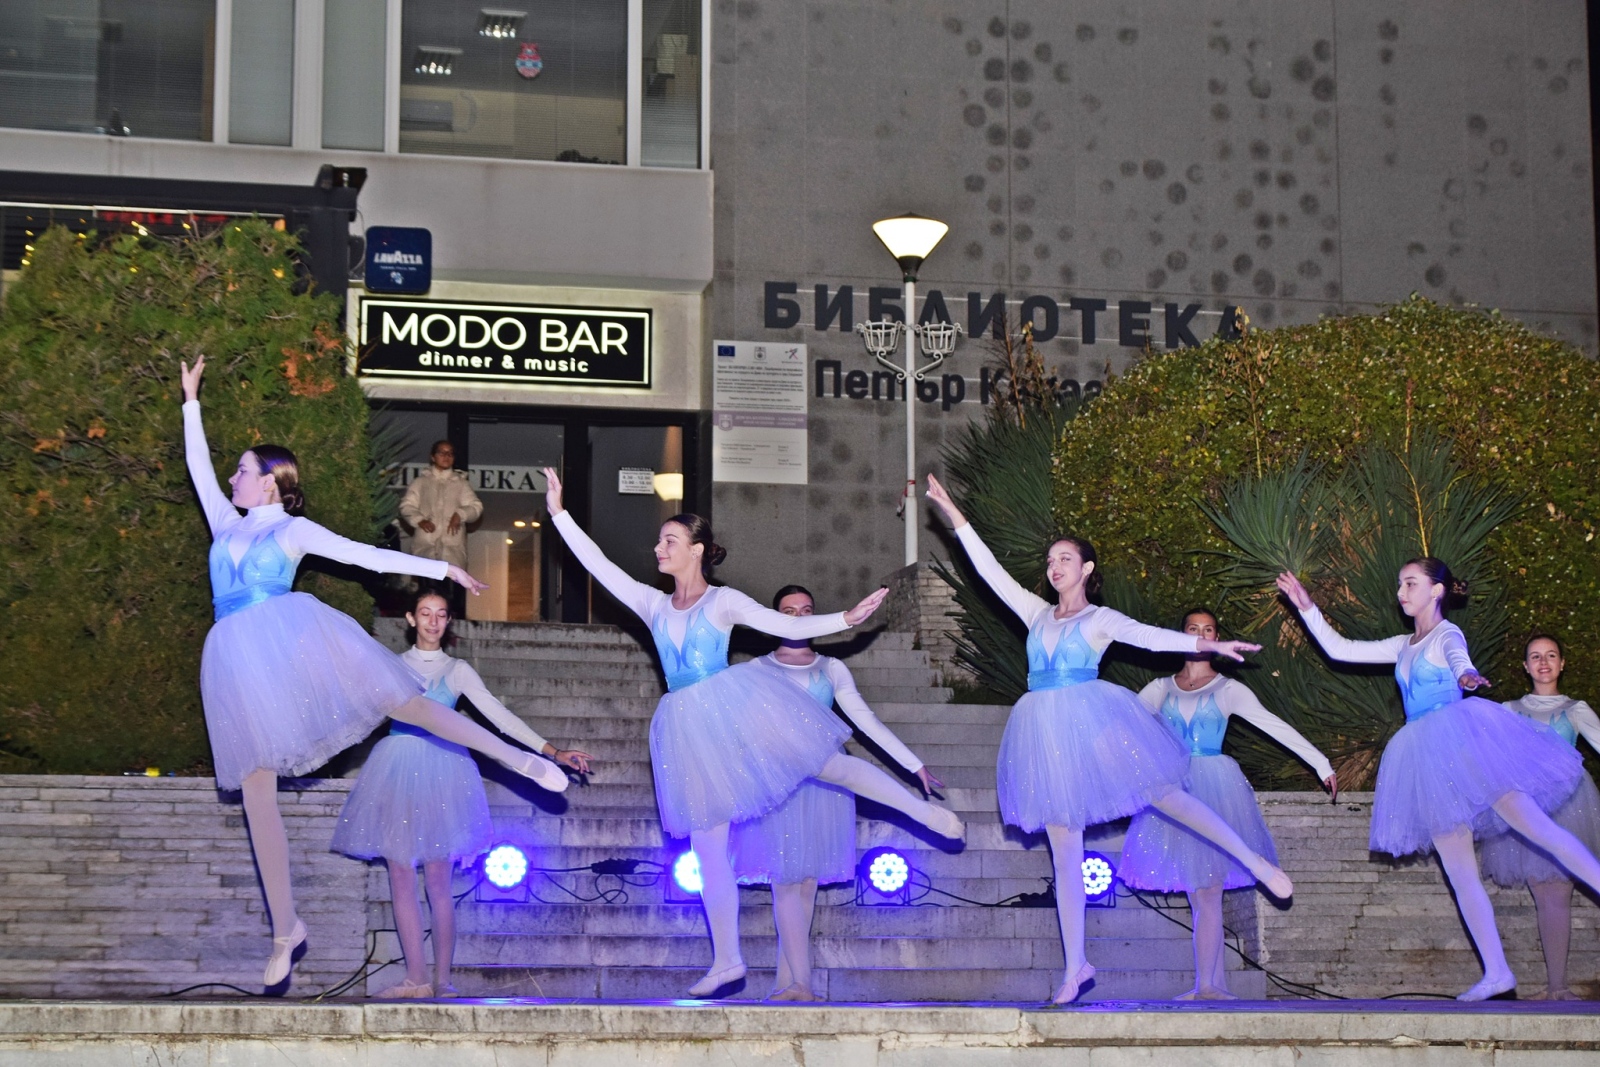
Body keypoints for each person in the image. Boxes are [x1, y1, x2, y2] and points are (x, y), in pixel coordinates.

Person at [180, 357, 568, 991]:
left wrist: (443, 569)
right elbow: (199, 468)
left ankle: (515, 758)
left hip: (289, 638)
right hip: (235, 660)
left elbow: (365, 556)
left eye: (242, 471)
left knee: (403, 700)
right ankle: (286, 929)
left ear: (271, 483)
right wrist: (191, 403)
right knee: (256, 791)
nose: (231, 478)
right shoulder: (225, 524)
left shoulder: (294, 530)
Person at [542, 467, 963, 997]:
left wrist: (845, 618)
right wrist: (560, 514)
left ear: (697, 550)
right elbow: (597, 565)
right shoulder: (653, 603)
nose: (658, 548)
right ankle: (727, 961)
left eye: (669, 540)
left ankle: (922, 812)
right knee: (707, 847)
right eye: (659, 541)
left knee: (825, 764)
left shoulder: (723, 601)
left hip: (732, 706)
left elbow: (785, 625)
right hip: (685, 726)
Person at [926, 475, 1293, 1005]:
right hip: (1044, 735)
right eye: (1050, 560)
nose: (1055, 567)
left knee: (1162, 794)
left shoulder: (1099, 620)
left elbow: (1149, 637)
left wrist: (1207, 645)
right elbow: (989, 571)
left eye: (1065, 559)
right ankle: (1075, 965)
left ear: (1086, 569)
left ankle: (1254, 862)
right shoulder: (1035, 613)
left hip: (1090, 720)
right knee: (1063, 850)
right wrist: (955, 516)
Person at [1277, 561, 1600, 1000]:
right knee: (1459, 872)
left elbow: (1458, 659)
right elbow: (1341, 649)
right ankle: (1497, 973)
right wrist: (1307, 608)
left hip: (1464, 748)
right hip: (1427, 762)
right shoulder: (1402, 644)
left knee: (1539, 829)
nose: (1401, 591)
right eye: (1399, 583)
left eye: (1411, 583)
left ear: (1436, 591)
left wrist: (1466, 676)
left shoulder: (1448, 633)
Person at [331, 589, 594, 999]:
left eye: (441, 614)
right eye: (425, 613)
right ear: (410, 619)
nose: (433, 621)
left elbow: (499, 717)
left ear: (448, 621)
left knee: (438, 879)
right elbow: (356, 711)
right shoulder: (392, 667)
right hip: (396, 768)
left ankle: (442, 980)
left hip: (444, 770)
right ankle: (415, 979)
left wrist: (552, 751)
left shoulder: (457, 670)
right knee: (400, 874)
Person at [728, 585, 943, 1002]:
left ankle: (786, 984)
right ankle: (802, 984)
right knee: (785, 881)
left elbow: (865, 720)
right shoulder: (758, 669)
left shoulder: (831, 668)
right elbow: (743, 729)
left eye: (806, 610)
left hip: (826, 780)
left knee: (806, 884)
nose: (799, 617)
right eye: (789, 611)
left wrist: (912, 763)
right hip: (779, 781)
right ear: (774, 618)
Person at [1118, 608, 1337, 1000]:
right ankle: (1212, 984)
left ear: (1217, 638)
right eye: (1193, 629)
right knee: (1199, 893)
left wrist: (1320, 763)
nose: (1201, 635)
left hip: (1217, 789)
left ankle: (1207, 986)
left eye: (1209, 630)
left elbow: (1273, 725)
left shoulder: (1228, 690)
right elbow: (1124, 730)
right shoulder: (1159, 688)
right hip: (1175, 793)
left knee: (1208, 890)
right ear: (1182, 635)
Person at [1478, 634, 1600, 1000]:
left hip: (1570, 806)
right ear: (1526, 666)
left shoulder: (1576, 709)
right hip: (1527, 808)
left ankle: (1558, 987)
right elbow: (1489, 756)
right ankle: (1555, 987)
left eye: (1550, 655)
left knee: (1559, 893)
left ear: (1562, 663)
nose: (1543, 662)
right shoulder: (1508, 709)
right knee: (1545, 894)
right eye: (1535, 656)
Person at [399, 440, 482, 614]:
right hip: (426, 548)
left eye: (450, 453)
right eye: (442, 452)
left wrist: (460, 514)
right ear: (433, 456)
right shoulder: (421, 482)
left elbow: (476, 507)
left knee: (451, 597)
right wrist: (420, 520)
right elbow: (406, 506)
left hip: (452, 551)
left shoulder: (461, 483)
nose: (446, 456)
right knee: (427, 593)